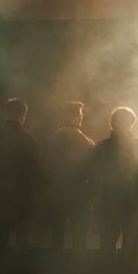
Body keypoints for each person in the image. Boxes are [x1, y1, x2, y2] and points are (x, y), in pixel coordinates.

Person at [0, 98, 41, 274]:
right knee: (23, 239)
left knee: (1, 237)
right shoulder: (29, 140)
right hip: (22, 197)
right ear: (24, 116)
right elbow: (35, 171)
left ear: (5, 114)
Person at [88, 106, 138, 273]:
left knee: (107, 244)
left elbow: (94, 173)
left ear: (112, 123)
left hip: (110, 198)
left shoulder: (102, 146)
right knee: (131, 246)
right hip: (133, 199)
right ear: (131, 123)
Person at [46, 101, 94, 260]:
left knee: (57, 238)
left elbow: (46, 166)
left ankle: (56, 270)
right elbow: (92, 169)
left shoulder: (53, 139)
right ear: (72, 117)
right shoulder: (86, 142)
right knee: (80, 239)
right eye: (79, 115)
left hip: (57, 193)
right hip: (80, 195)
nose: (82, 117)